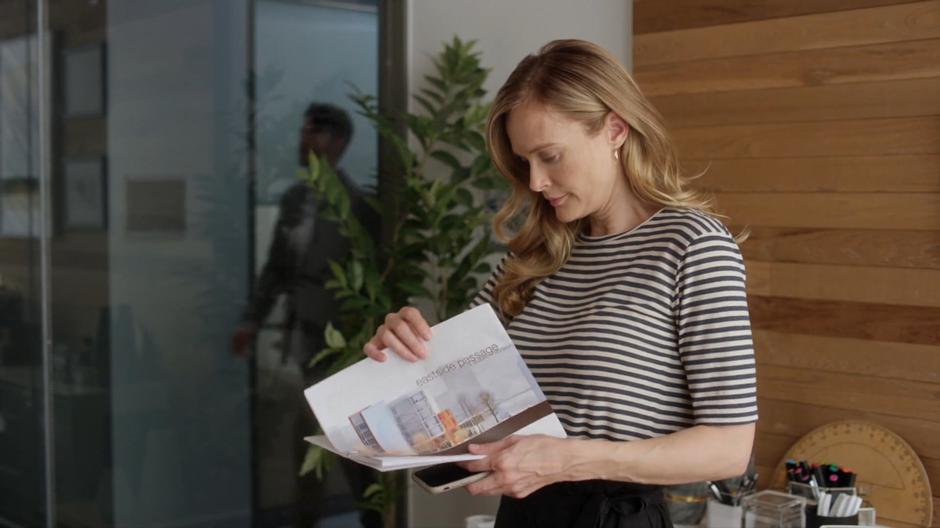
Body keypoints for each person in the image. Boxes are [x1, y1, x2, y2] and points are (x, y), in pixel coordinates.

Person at [361, 39, 758, 528]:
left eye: (549, 156)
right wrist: (404, 346)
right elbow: (452, 393)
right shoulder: (534, 255)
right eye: (525, 161)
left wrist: (569, 460)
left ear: (614, 128)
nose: (535, 182)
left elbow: (730, 449)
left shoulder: (692, 246)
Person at [234, 102, 381, 528]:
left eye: (312, 133)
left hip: (339, 349)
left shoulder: (358, 208)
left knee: (342, 449)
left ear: (337, 143)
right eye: (303, 132)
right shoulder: (295, 199)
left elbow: (368, 285)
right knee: (306, 445)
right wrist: (251, 320)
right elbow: (275, 269)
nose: (302, 141)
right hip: (296, 341)